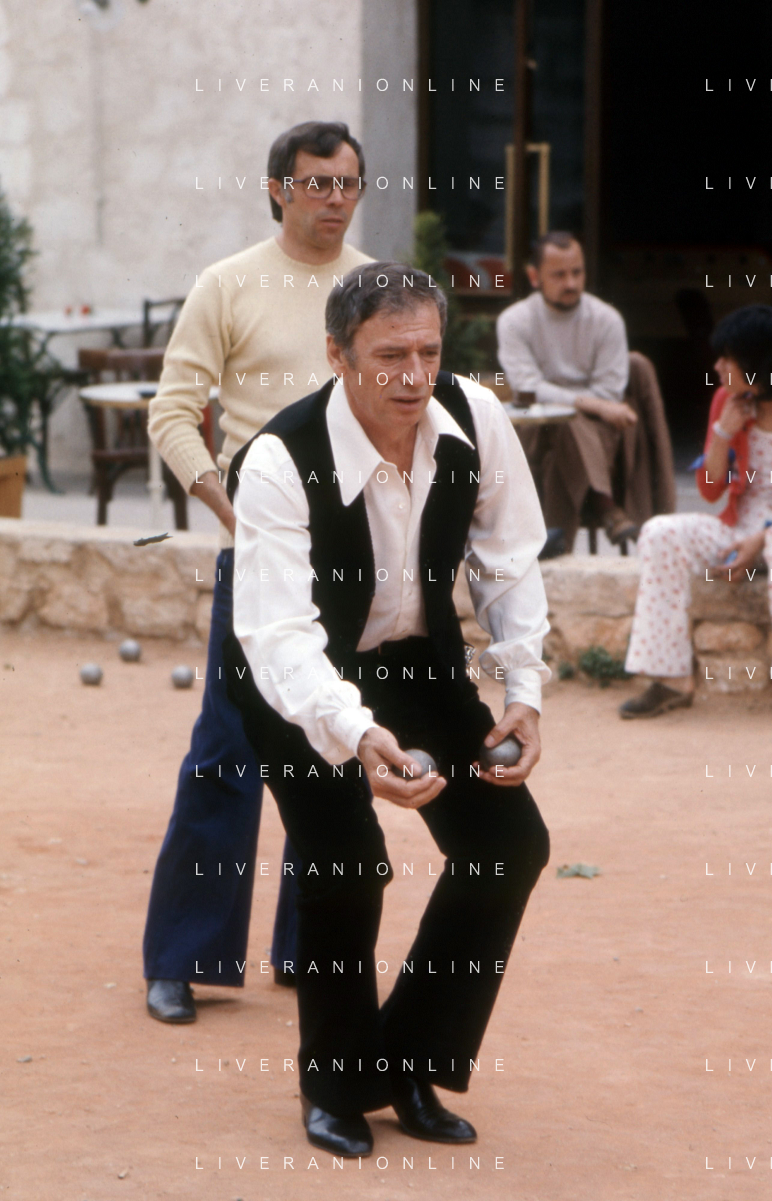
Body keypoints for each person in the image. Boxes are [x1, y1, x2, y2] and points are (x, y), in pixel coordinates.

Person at [224, 262, 551, 1155]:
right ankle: (334, 1083)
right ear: (337, 355)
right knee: (346, 863)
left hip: (413, 658)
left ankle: (409, 1060)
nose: (413, 376)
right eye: (388, 356)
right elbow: (280, 634)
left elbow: (507, 559)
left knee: (507, 843)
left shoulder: (474, 419)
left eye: (428, 352)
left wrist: (522, 691)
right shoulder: (278, 460)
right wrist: (357, 732)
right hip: (297, 678)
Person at [142, 121, 372, 1023]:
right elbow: (172, 410)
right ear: (278, 188)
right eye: (316, 183)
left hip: (350, 561)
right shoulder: (227, 283)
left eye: (347, 183)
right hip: (258, 556)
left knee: (333, 745)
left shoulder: (375, 288)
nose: (333, 199)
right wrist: (227, 509)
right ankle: (182, 956)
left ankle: (309, 948)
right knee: (226, 752)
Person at [619, 304, 772, 718]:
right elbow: (709, 490)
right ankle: (670, 678)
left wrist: (762, 540)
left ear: (759, 363)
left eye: (727, 358)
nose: (718, 367)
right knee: (660, 531)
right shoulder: (727, 401)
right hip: (739, 528)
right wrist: (723, 433)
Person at [496, 231, 676, 549]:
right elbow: (527, 387)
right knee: (561, 424)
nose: (571, 283)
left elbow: (608, 393)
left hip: (600, 432)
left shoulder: (606, 319)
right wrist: (590, 403)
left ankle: (555, 543)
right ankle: (607, 508)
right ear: (535, 277)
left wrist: (582, 405)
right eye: (559, 274)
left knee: (567, 429)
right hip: (537, 429)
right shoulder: (515, 320)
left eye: (577, 272)